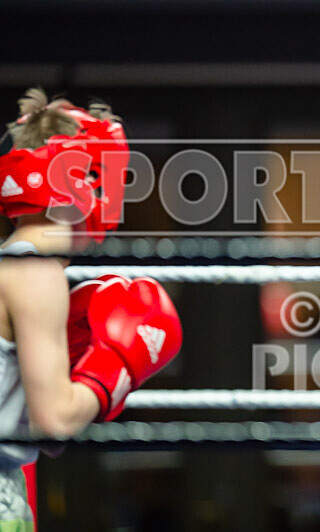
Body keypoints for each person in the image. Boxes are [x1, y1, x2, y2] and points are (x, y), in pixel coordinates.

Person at [0, 88, 182, 530]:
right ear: (90, 183)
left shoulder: (16, 258)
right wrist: (112, 370)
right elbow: (56, 422)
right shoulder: (36, 272)